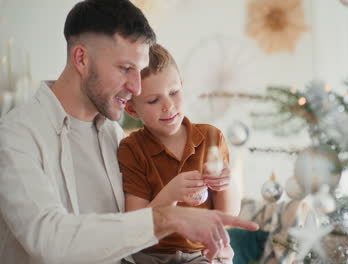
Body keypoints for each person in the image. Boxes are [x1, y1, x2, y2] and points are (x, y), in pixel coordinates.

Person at [0, 1, 257, 263]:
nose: (136, 88)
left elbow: (127, 240)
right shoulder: (15, 137)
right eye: (125, 69)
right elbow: (49, 239)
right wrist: (167, 217)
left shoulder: (113, 134)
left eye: (140, 70)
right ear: (81, 59)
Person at [118, 43, 241, 264]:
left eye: (174, 92)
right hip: (150, 256)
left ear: (182, 87)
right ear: (132, 109)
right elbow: (136, 228)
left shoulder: (212, 138)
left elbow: (227, 217)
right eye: (153, 100)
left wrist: (227, 182)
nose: (168, 106)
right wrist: (171, 194)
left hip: (201, 254)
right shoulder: (131, 149)